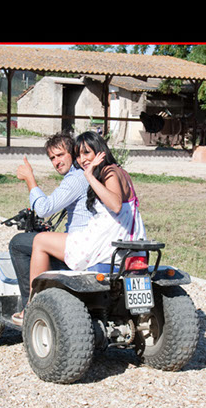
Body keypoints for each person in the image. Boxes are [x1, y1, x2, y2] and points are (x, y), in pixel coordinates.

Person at [13, 131, 147, 325]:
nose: (83, 159)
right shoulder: (117, 171)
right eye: (79, 155)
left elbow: (115, 204)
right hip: (123, 239)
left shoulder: (107, 172)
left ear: (99, 151)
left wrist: (88, 175)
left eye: (87, 153)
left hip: (103, 243)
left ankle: (33, 308)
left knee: (39, 241)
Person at [8, 132, 94, 321]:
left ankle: (30, 306)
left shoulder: (76, 178)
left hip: (81, 242)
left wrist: (30, 179)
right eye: (52, 158)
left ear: (72, 152)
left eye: (60, 155)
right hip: (93, 239)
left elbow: (45, 209)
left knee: (18, 243)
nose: (56, 161)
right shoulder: (87, 174)